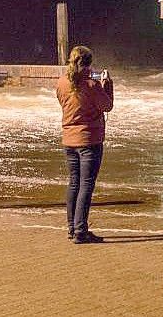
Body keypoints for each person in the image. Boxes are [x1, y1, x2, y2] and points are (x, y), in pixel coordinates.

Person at [56, 46, 114, 244]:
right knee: (86, 185)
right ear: (89, 64)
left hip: (69, 139)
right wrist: (107, 85)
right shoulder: (91, 85)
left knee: (74, 183)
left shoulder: (62, 82)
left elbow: (64, 103)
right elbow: (107, 106)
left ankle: (72, 228)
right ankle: (81, 231)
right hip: (89, 140)